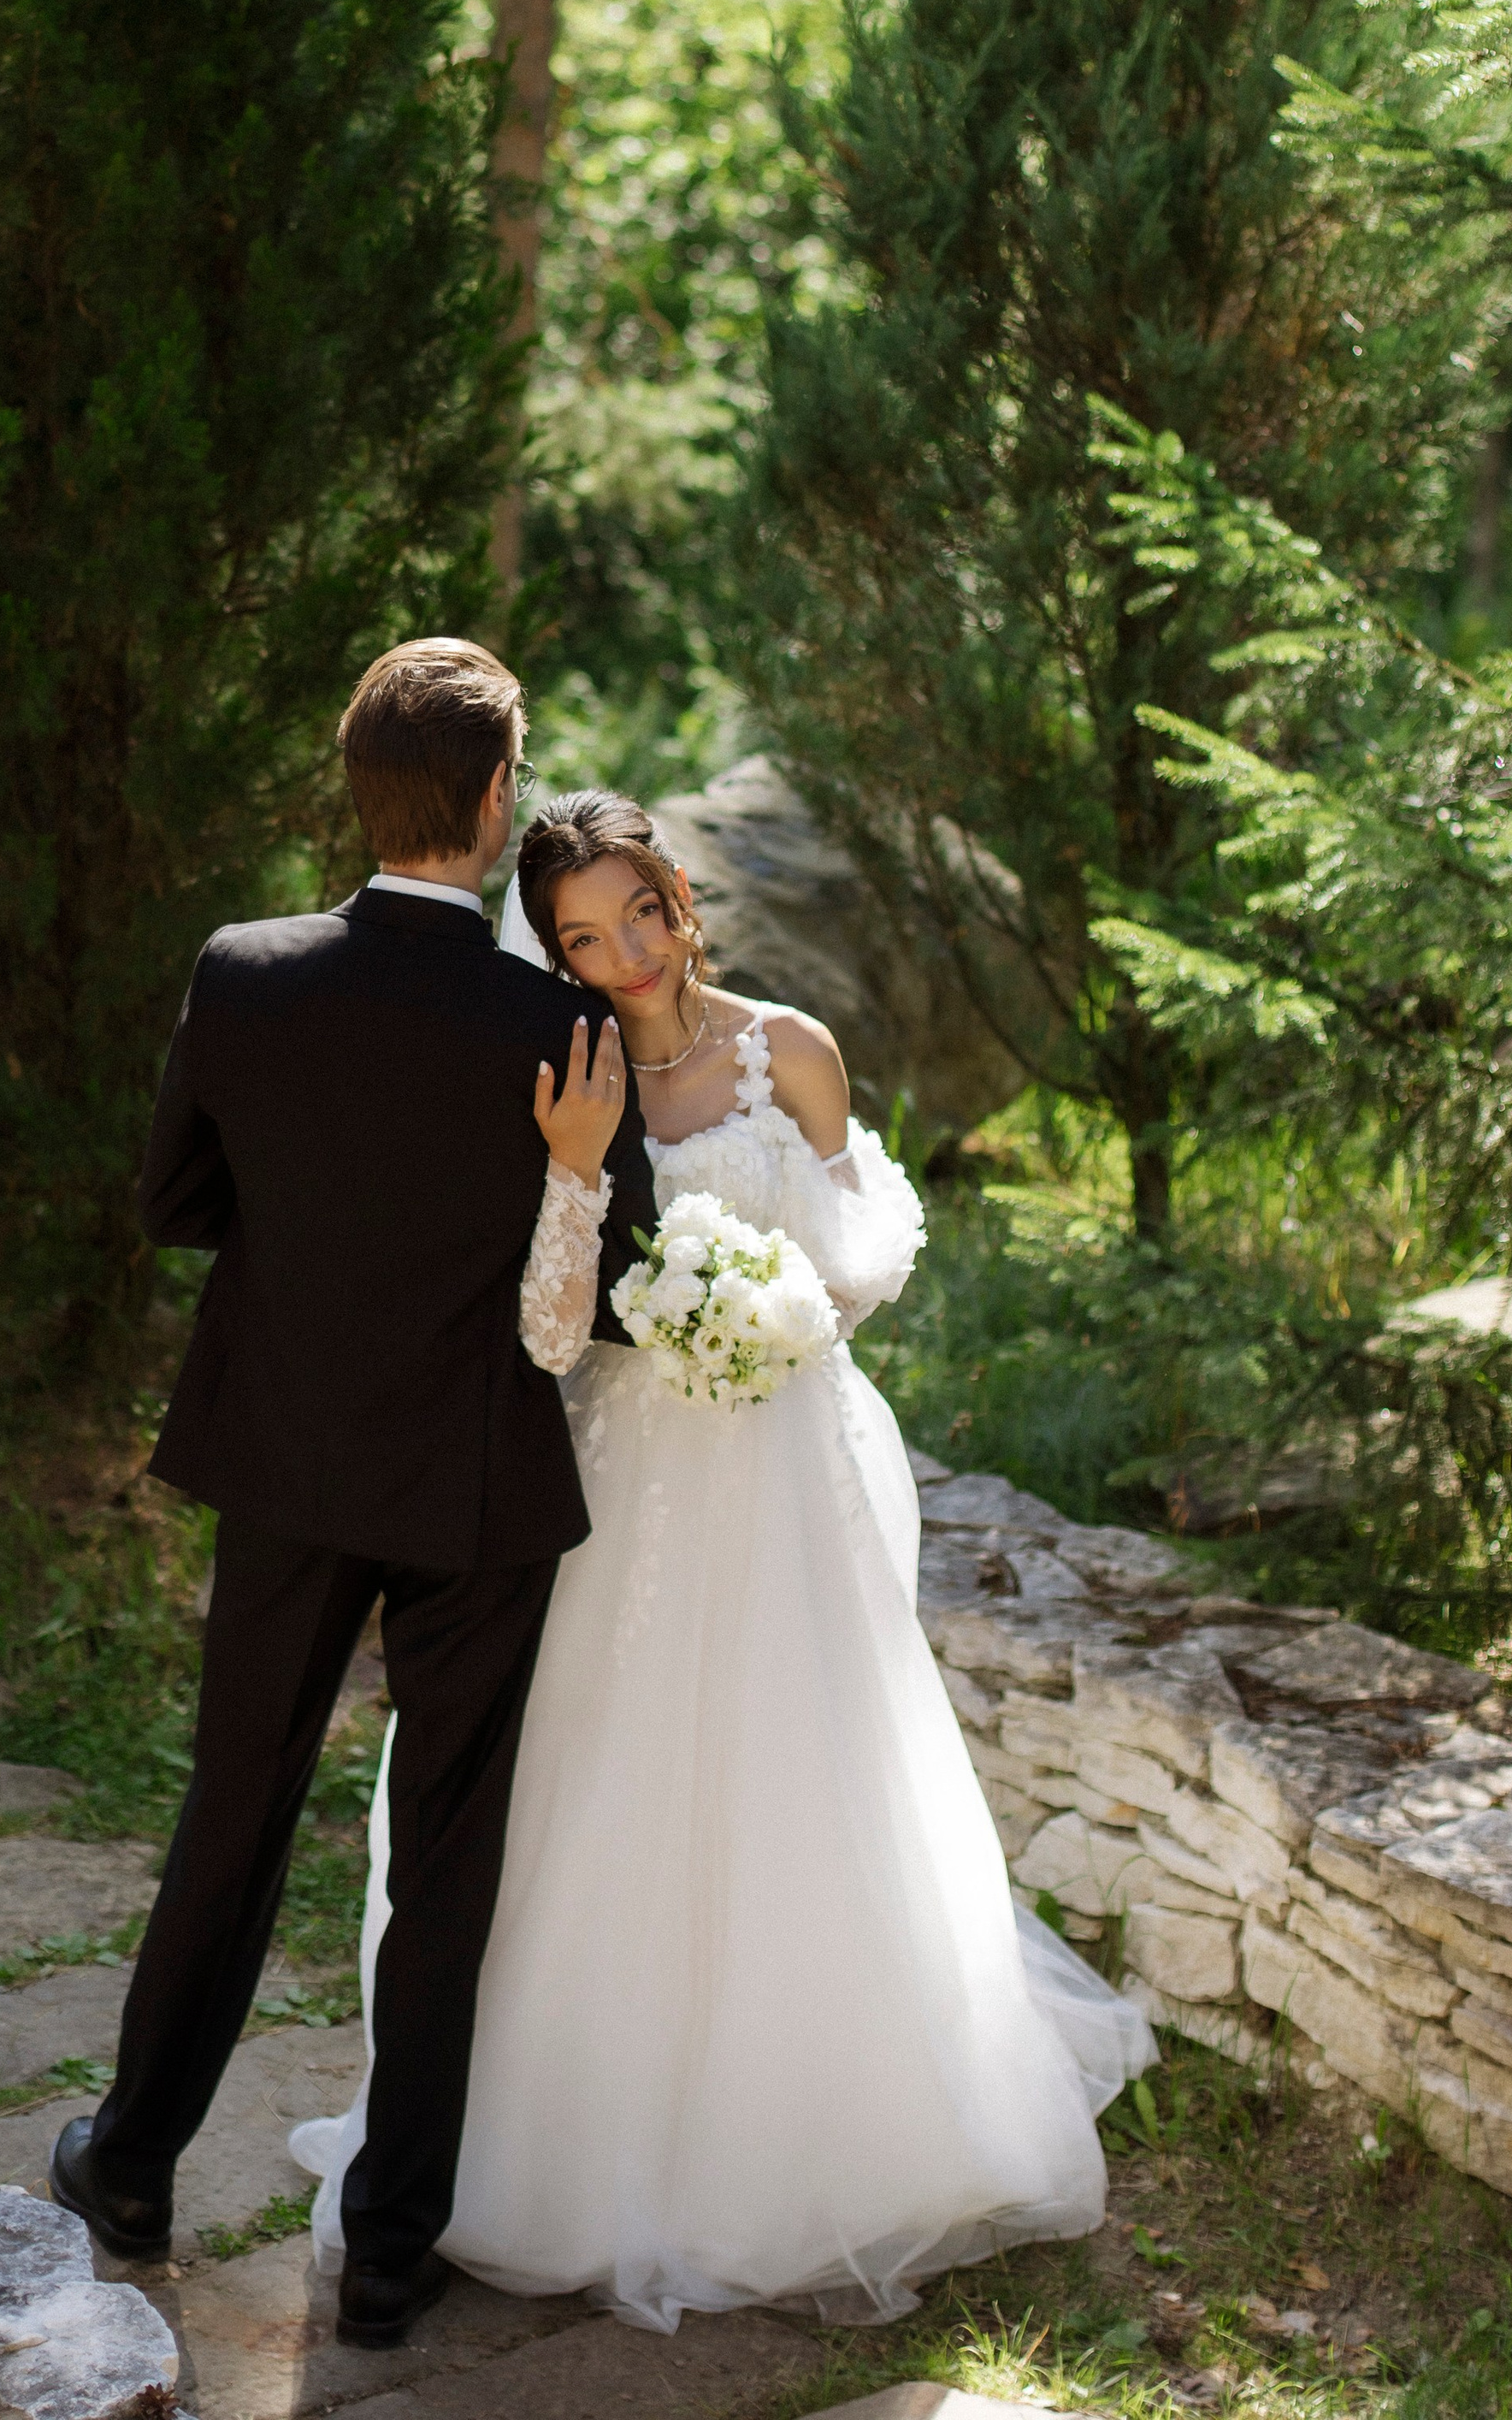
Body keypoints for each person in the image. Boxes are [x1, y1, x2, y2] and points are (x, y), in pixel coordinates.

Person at [294, 788, 1152, 2333]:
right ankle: (566, 2143)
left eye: (639, 912)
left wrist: (774, 1309)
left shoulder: (791, 1051)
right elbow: (550, 1328)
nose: (625, 953)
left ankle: (820, 2135)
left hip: (784, 1466)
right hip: (622, 1481)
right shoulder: (563, 1073)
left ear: (680, 894)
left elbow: (865, 1250)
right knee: (596, 1779)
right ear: (555, 954)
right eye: (582, 937)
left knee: (803, 1767)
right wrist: (578, 1175)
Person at [50, 648, 657, 2352]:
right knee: (450, 1857)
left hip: (290, 1459)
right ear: (494, 801)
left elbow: (177, 1202)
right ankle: (391, 2252)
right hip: (478, 1485)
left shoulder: (244, 975)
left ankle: (134, 2166)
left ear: (360, 791)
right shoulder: (560, 1025)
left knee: (233, 1809)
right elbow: (616, 1291)